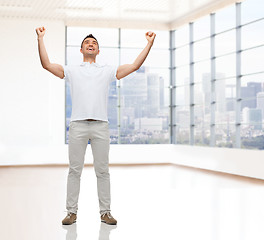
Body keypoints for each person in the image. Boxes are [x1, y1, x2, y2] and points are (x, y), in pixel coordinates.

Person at [35, 26, 156, 225]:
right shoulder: (71, 70)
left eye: (94, 43)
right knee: (75, 171)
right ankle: (71, 212)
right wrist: (40, 38)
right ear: (81, 50)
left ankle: (105, 212)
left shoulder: (107, 70)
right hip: (77, 125)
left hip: (101, 126)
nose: (90, 44)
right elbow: (46, 64)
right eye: (86, 43)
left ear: (98, 51)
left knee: (103, 171)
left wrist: (149, 44)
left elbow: (134, 66)